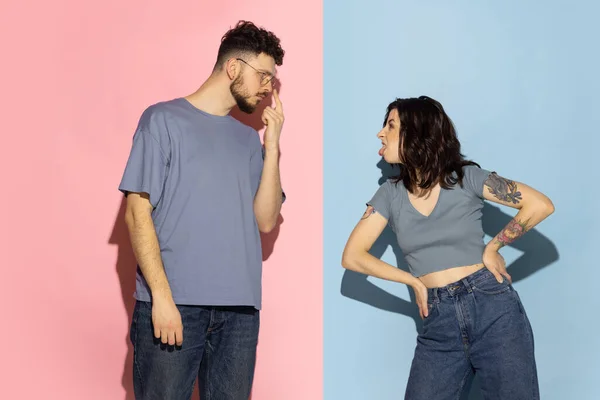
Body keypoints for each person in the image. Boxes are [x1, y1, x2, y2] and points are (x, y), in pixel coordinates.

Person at [341, 96, 554, 400]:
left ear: (417, 132)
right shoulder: (389, 195)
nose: (380, 133)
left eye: (390, 125)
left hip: (493, 310)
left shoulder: (465, 178)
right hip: (438, 321)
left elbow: (540, 205)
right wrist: (411, 280)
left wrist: (493, 247)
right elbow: (352, 256)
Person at [118, 20, 286, 400]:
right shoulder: (161, 120)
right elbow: (137, 212)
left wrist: (272, 146)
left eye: (272, 82)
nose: (267, 88)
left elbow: (266, 219)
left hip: (240, 315)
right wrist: (162, 298)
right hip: (176, 307)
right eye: (263, 76)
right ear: (233, 68)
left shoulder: (248, 139)